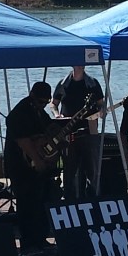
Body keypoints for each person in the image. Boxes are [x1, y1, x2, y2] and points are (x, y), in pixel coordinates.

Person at [4, 81, 58, 250]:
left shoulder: (39, 112)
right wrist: (38, 160)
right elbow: (23, 141)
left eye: (46, 102)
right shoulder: (19, 113)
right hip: (20, 166)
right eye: (41, 102)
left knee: (41, 202)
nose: (43, 105)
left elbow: (48, 128)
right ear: (32, 96)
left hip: (36, 166)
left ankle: (40, 239)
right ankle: (29, 242)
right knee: (27, 204)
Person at [52, 63, 104, 200]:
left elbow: (101, 103)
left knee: (92, 168)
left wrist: (101, 111)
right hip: (68, 131)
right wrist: (57, 115)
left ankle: (93, 198)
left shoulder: (92, 83)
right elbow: (53, 103)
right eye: (78, 64)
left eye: (83, 64)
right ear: (72, 65)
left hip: (89, 130)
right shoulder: (63, 84)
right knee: (69, 169)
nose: (81, 66)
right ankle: (69, 199)